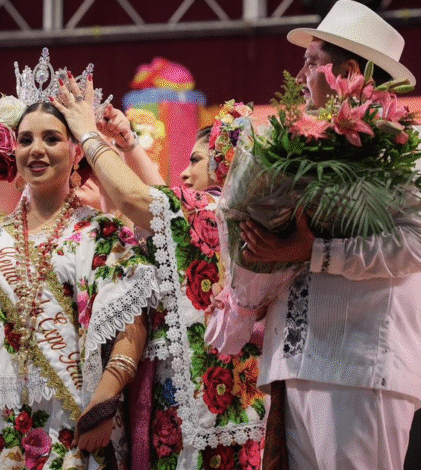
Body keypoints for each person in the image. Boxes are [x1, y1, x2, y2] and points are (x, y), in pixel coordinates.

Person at [0, 50, 161, 469]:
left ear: (77, 152)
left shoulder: (100, 234)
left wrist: (104, 400)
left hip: (77, 426)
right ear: (13, 152)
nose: (36, 150)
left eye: (52, 138)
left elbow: (130, 323)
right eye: (26, 139)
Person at [205, 1, 421, 469]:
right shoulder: (291, 154)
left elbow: (414, 246)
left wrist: (313, 251)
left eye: (313, 61)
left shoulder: (402, 154)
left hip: (361, 367)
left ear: (347, 71)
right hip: (292, 363)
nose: (301, 73)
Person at [51, 74, 266, 468]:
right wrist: (129, 144)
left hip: (194, 411)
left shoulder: (213, 213)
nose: (183, 174)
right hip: (220, 405)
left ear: (225, 163)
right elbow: (166, 214)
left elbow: (139, 200)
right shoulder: (221, 218)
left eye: (196, 160)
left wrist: (86, 133)